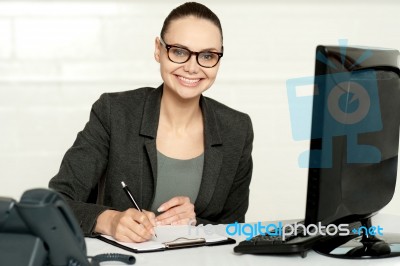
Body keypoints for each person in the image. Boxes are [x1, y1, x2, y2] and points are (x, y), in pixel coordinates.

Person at [49, 2, 253, 243]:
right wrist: (109, 221)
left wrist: (195, 224)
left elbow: (234, 229)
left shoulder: (237, 129)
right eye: (179, 51)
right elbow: (55, 203)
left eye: (207, 56)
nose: (191, 67)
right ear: (158, 49)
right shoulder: (114, 112)